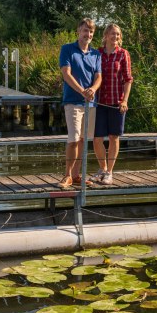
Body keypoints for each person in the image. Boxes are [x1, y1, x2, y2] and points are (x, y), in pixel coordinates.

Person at [58, 18, 102, 189]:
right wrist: (82, 91)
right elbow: (66, 74)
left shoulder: (95, 54)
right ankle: (67, 175)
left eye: (91, 32)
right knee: (73, 139)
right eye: (85, 30)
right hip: (73, 102)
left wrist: (92, 89)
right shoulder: (67, 49)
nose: (88, 34)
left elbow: (99, 77)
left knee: (83, 140)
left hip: (90, 104)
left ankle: (77, 175)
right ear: (78, 31)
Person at [91, 23, 133, 185]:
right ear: (106, 35)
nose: (115, 37)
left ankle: (109, 172)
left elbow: (128, 79)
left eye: (118, 34)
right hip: (100, 102)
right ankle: (102, 168)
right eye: (112, 34)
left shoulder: (123, 54)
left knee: (114, 137)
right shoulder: (97, 53)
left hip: (117, 103)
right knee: (96, 138)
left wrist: (125, 100)